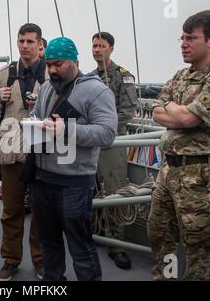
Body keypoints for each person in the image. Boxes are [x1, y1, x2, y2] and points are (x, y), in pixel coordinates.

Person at [148, 10, 210, 281]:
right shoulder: (180, 76)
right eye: (182, 37)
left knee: (196, 245)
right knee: (160, 233)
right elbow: (156, 110)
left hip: (199, 173)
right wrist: (174, 110)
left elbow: (189, 118)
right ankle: (165, 278)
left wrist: (176, 112)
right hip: (169, 170)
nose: (183, 44)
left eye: (191, 38)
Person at [30, 37, 118, 281]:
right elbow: (36, 114)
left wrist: (66, 130)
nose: (52, 70)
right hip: (42, 179)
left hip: (74, 184)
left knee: (81, 247)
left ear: (74, 61)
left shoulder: (97, 90)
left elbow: (108, 133)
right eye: (49, 65)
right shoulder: (47, 87)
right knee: (49, 243)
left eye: (57, 64)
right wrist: (31, 122)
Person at [0, 23, 47, 281]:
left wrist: (43, 105)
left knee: (41, 209)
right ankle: (11, 259)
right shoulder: (4, 74)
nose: (25, 46)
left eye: (30, 41)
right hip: (10, 147)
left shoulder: (51, 74)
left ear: (40, 44)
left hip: (41, 150)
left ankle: (40, 260)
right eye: (21, 41)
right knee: (11, 208)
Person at [90, 32, 137, 270]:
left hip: (111, 143)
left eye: (102, 46)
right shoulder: (87, 79)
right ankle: (93, 232)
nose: (97, 50)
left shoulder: (123, 77)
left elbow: (127, 112)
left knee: (114, 192)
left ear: (111, 49)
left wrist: (102, 130)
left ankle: (116, 245)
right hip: (89, 143)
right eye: (94, 46)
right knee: (90, 188)